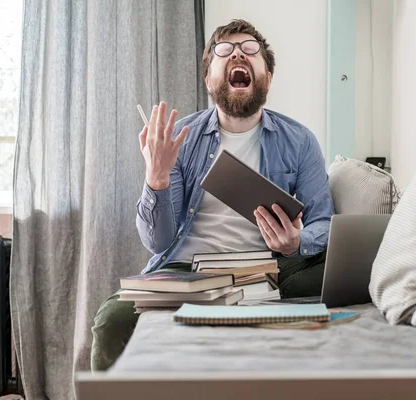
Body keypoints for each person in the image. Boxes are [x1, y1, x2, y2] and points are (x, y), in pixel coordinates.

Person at [91, 19, 335, 371]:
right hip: (186, 270)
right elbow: (158, 242)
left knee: (338, 272)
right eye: (225, 50)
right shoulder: (180, 137)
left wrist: (296, 242)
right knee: (110, 320)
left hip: (265, 268)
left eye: (250, 50)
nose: (238, 53)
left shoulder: (299, 141)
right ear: (209, 80)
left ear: (267, 78)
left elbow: (324, 223)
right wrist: (155, 178)